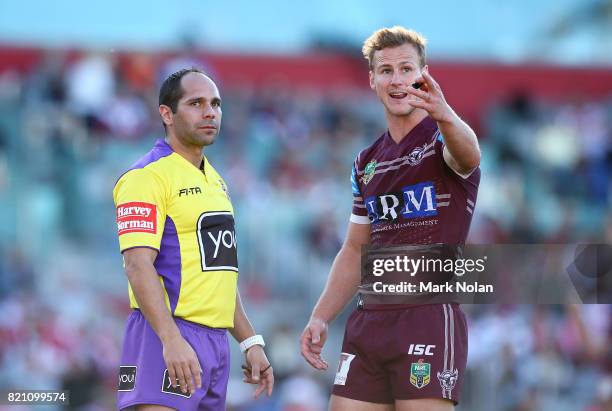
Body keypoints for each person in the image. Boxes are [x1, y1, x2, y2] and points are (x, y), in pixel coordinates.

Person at [300, 26, 481, 411]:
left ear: (424, 74)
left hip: (427, 317)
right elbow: (354, 249)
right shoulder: (366, 161)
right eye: (385, 71)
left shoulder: (443, 139)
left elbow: (470, 157)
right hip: (370, 320)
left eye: (405, 69)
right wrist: (321, 315)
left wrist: (445, 113)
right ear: (372, 80)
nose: (396, 80)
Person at [113, 68, 274, 411]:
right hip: (166, 335)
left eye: (215, 103)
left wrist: (250, 342)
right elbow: (137, 265)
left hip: (215, 344)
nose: (210, 112)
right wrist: (170, 339)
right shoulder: (146, 177)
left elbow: (218, 275)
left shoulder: (216, 181)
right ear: (167, 114)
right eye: (196, 103)